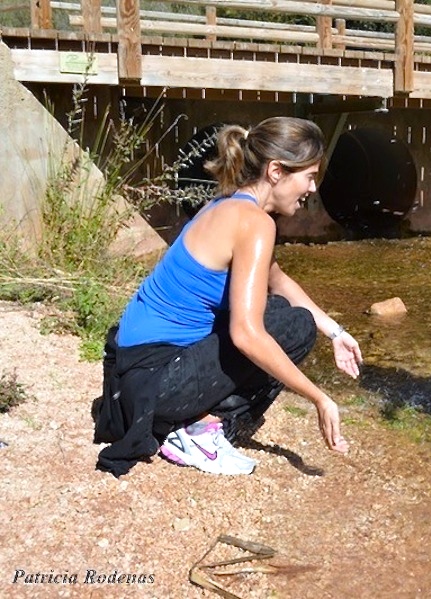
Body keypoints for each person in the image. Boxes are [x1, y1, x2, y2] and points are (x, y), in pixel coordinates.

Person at [92, 116, 363, 477]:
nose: (313, 189)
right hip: (159, 384)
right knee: (291, 327)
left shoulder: (225, 205)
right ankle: (195, 432)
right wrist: (319, 397)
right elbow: (246, 334)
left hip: (132, 376)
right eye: (310, 177)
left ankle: (191, 419)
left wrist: (337, 333)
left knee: (285, 313)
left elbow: (280, 283)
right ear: (277, 171)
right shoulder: (255, 223)